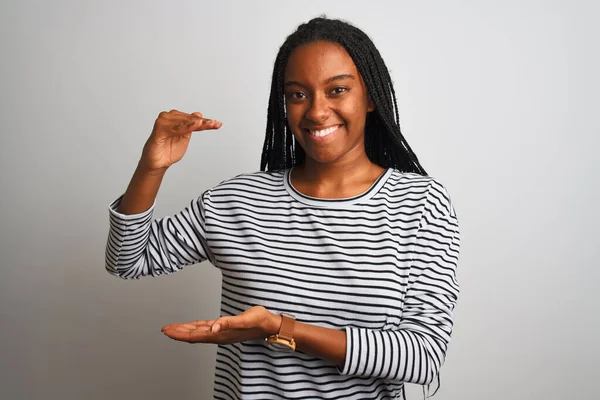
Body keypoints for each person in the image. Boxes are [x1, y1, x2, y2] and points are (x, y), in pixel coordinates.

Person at [106, 16, 460, 400]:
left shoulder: (420, 204)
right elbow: (128, 259)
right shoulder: (239, 201)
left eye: (337, 90)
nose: (316, 112)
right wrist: (151, 168)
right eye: (298, 94)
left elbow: (422, 358)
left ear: (370, 96)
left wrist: (279, 328)